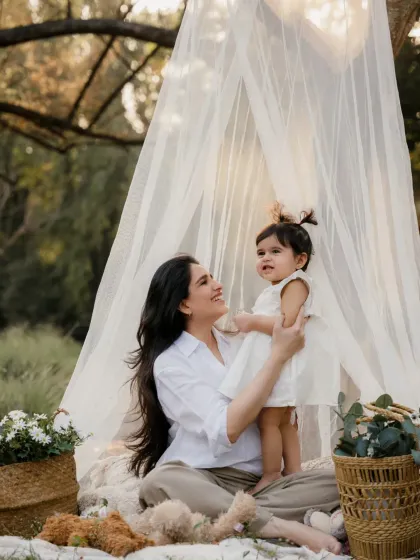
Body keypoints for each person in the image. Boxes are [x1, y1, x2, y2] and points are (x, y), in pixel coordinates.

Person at [129, 254, 341, 554]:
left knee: (345, 482)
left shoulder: (241, 344)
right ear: (184, 305)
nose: (218, 285)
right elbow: (227, 427)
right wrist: (278, 356)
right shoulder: (171, 364)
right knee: (158, 483)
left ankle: (242, 517)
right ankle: (283, 527)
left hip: (262, 484)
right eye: (204, 282)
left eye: (213, 277)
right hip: (203, 478)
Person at [220, 204, 340, 493]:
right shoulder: (277, 287)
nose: (266, 258)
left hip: (283, 366)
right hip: (279, 364)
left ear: (299, 260)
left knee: (269, 421)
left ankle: (272, 473)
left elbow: (285, 324)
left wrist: (251, 321)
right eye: (261, 253)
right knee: (285, 421)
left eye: (275, 252)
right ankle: (294, 472)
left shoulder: (296, 283)